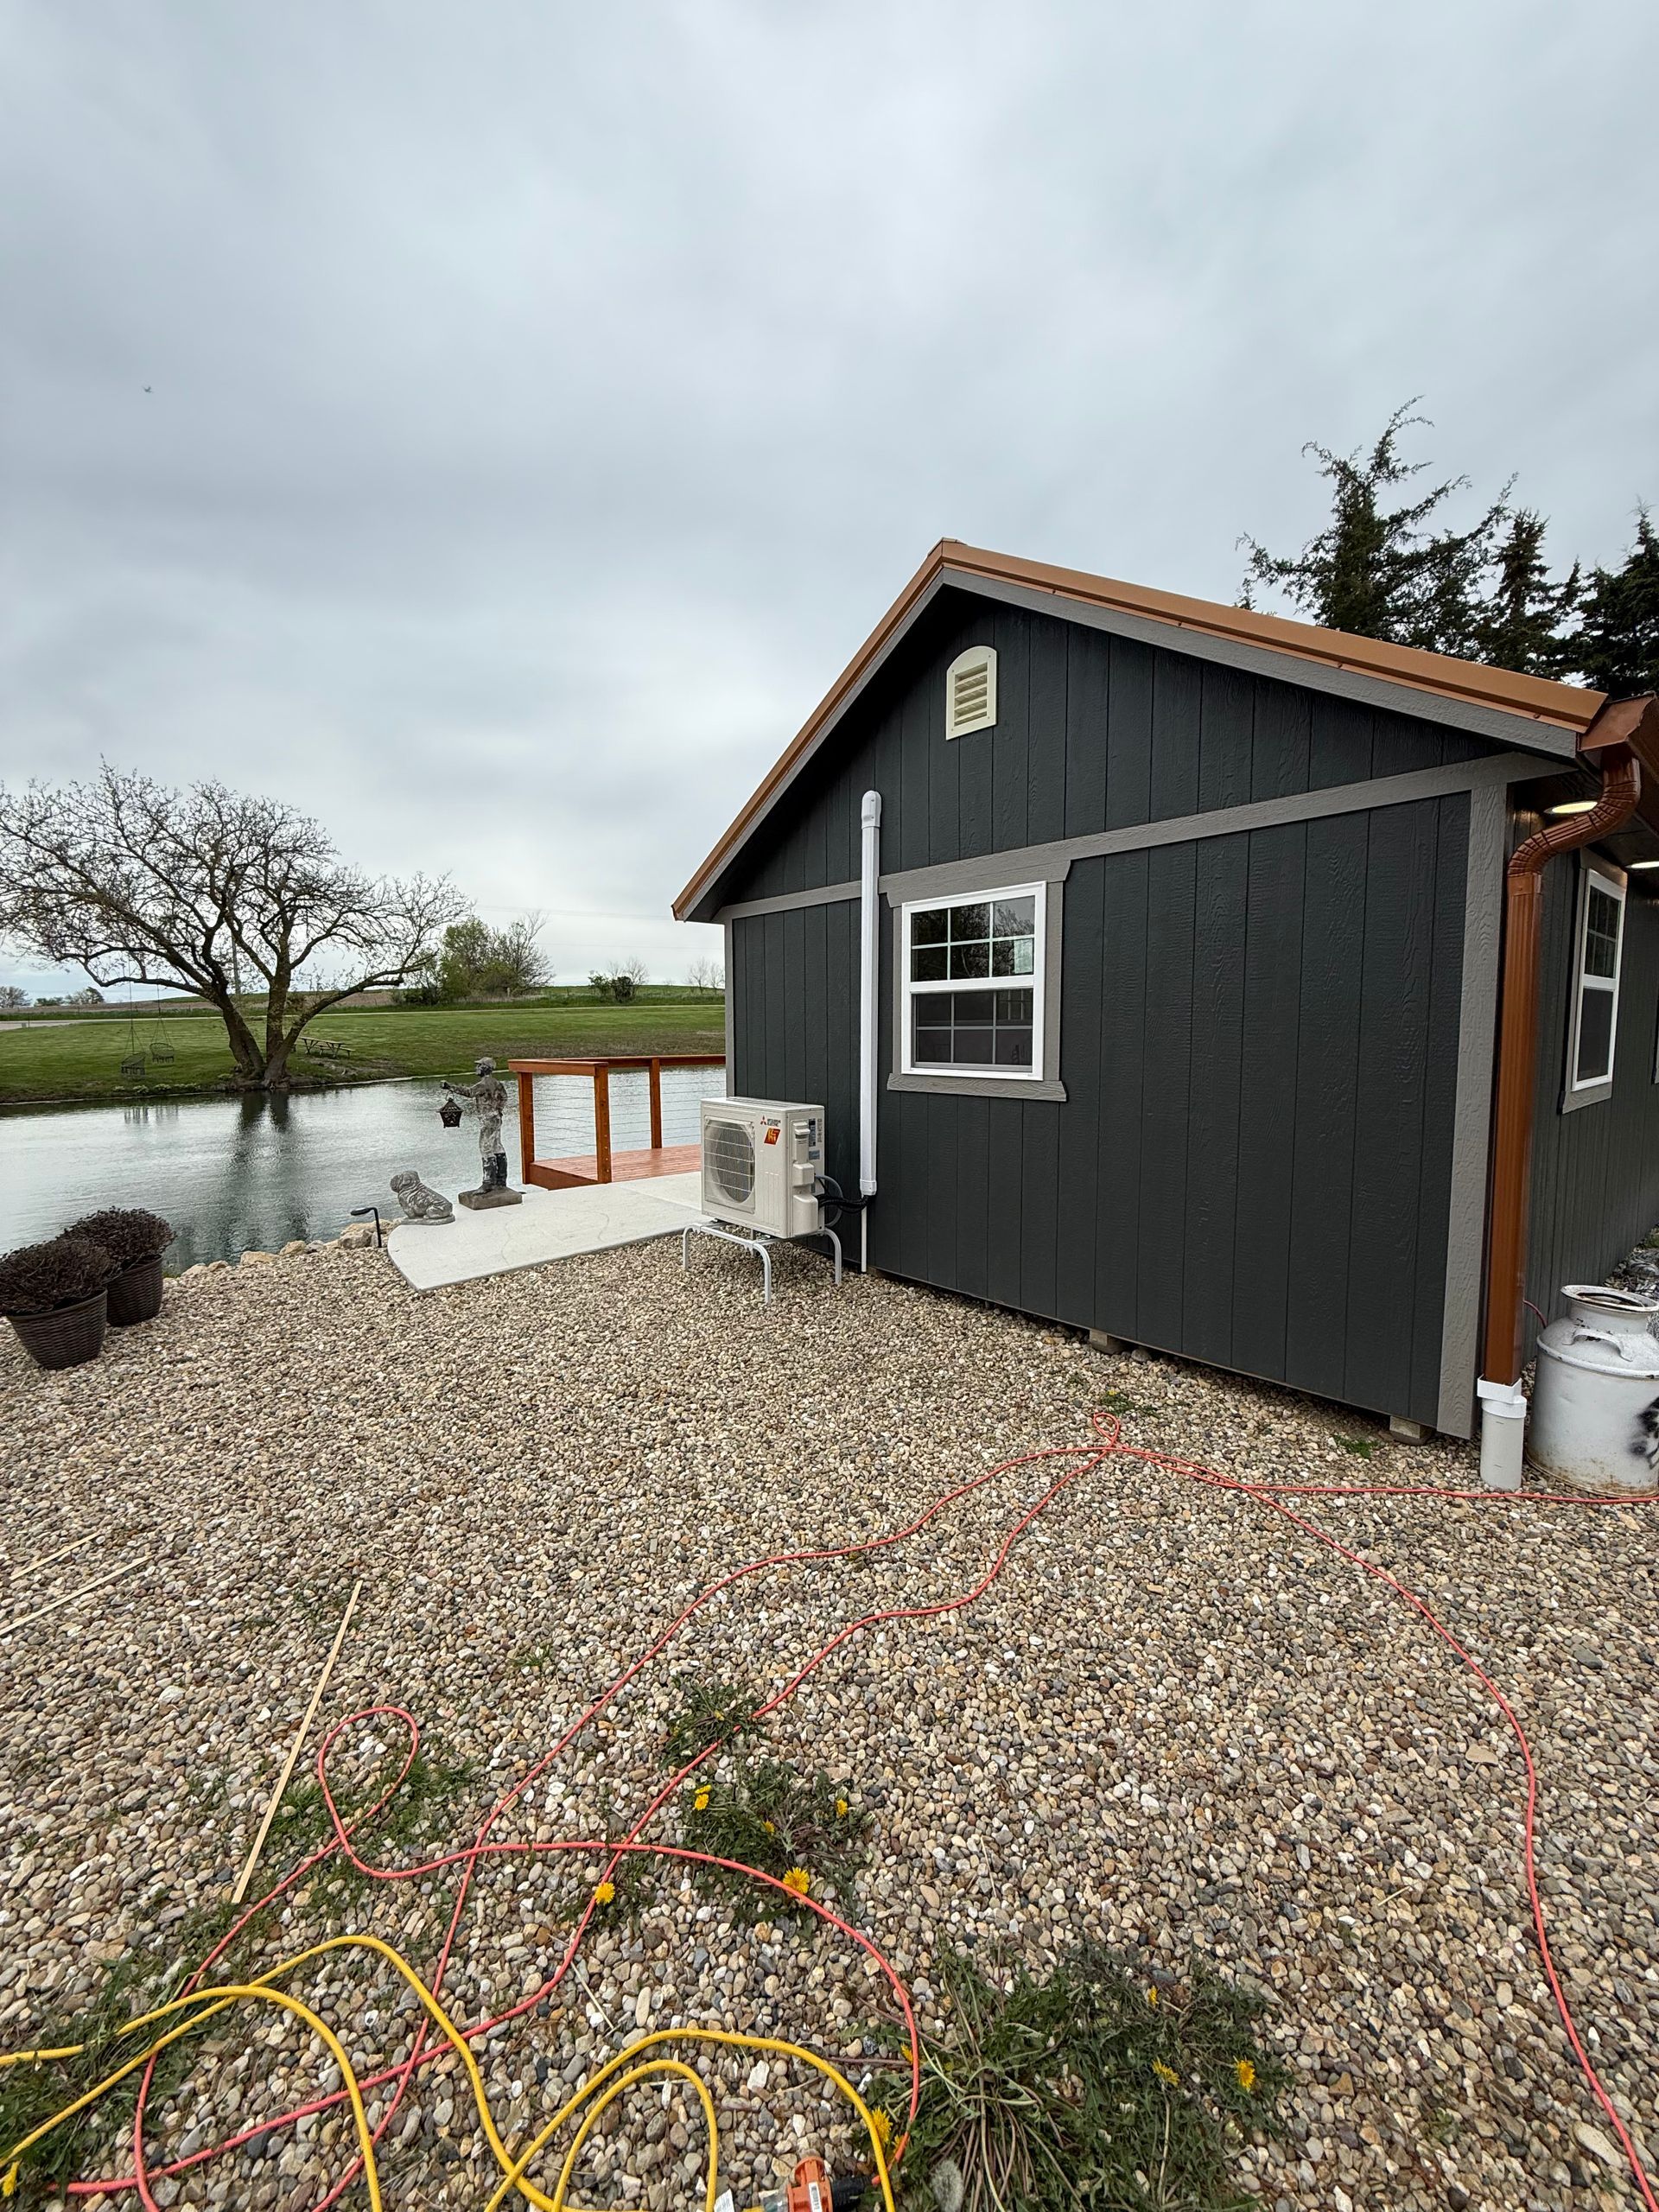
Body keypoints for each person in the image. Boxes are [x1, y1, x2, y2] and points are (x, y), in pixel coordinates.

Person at [442, 1056, 511, 1194]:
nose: (476, 1068)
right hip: (496, 1118)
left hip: (487, 1119)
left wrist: (450, 1087)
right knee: (497, 1146)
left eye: (478, 1066)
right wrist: (498, 1109)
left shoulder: (484, 1084)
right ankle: (501, 1181)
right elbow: (504, 1097)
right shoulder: (497, 1083)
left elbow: (469, 1092)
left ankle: (488, 1183)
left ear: (484, 1068)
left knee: (485, 1148)